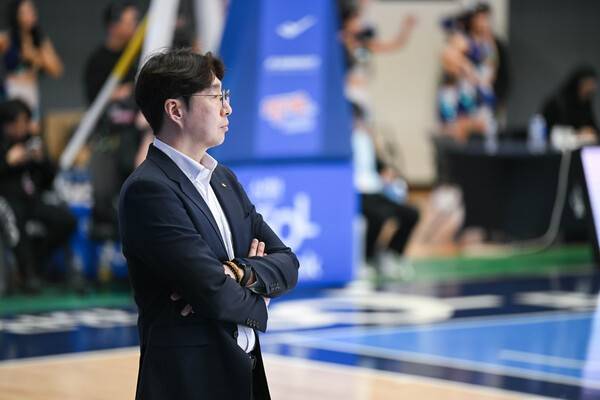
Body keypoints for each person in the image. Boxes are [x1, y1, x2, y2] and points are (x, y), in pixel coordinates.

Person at [119, 48, 299, 400]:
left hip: (244, 375)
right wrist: (260, 298)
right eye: (216, 96)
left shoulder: (223, 179)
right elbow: (213, 293)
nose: (227, 108)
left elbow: (287, 262)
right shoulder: (149, 190)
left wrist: (237, 272)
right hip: (189, 382)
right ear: (175, 110)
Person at [0, 99, 76, 292]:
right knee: (14, 218)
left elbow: (49, 180)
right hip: (6, 201)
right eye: (18, 123)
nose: (23, 127)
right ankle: (27, 274)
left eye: (25, 122)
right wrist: (8, 162)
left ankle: (36, 260)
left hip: (31, 200)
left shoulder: (32, 141)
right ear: (7, 124)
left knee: (65, 220)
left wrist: (41, 160)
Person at [83, 1, 141, 240]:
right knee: (104, 193)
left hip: (137, 136)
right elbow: (95, 102)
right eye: (130, 22)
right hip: (108, 137)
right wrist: (118, 93)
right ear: (113, 26)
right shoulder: (98, 61)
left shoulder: (140, 56)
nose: (135, 26)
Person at [0, 0, 63, 125]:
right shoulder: (7, 38)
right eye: (25, 12)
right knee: (12, 125)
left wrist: (34, 56)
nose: (30, 15)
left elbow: (57, 70)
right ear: (16, 15)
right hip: (12, 90)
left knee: (32, 127)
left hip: (31, 90)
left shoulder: (39, 41)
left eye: (31, 10)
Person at [541, 66, 599, 144]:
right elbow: (551, 129)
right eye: (590, 84)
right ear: (580, 84)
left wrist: (590, 132)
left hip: (582, 146)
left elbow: (593, 127)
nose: (593, 88)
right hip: (558, 145)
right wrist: (578, 133)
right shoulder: (559, 102)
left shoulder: (585, 103)